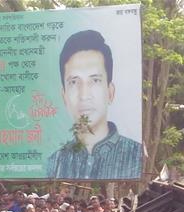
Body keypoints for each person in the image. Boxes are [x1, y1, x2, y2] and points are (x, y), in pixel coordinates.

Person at [45, 30, 142, 179]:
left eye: (95, 80)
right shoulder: (53, 163)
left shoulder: (135, 155)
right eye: (73, 82)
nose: (84, 95)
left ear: (110, 92)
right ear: (64, 96)